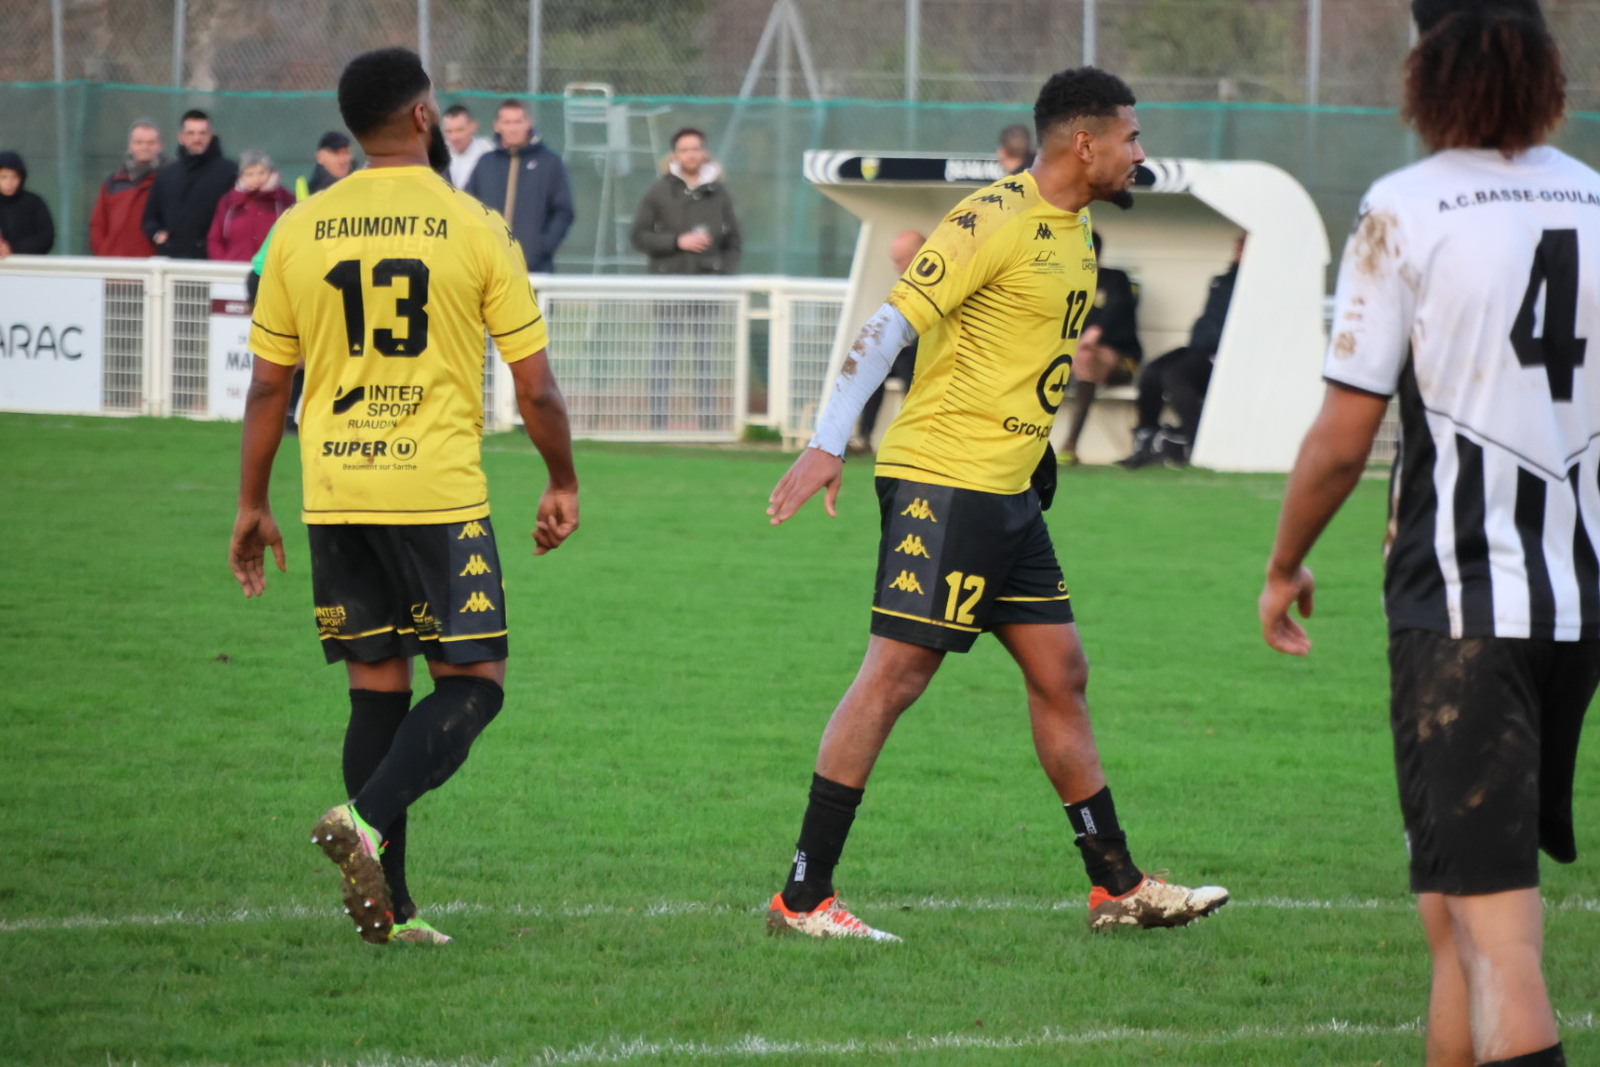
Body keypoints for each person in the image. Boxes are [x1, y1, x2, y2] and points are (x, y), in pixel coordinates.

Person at [763, 67, 1228, 941]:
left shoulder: (1078, 228)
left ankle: (1117, 886)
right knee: (894, 676)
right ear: (1084, 142)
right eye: (1131, 136)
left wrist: (1033, 449)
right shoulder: (992, 218)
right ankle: (802, 897)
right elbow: (888, 326)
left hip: (1008, 488)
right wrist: (828, 440)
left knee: (1061, 672)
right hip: (946, 479)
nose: (1141, 152)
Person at [1258, 3, 1595, 1064]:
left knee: (1499, 944)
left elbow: (1340, 437)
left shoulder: (1404, 207)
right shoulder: (1594, 197)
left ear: (1427, 64)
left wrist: (1282, 562)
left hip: (1462, 608)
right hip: (1577, 600)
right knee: (1452, 912)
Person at [227, 46, 580, 947]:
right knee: (476, 685)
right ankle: (364, 818)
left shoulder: (299, 227)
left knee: (376, 690)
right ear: (423, 116)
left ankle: (392, 912)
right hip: (434, 494)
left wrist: (252, 502)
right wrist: (562, 478)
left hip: (334, 490)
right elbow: (536, 387)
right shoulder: (474, 225)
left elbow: (267, 386)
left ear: (354, 128)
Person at [1116, 234, 1242, 469]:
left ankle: (1196, 443)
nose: (1238, 251)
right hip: (1198, 348)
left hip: (1222, 354)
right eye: (1238, 246)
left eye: (1243, 247)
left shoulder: (1252, 283)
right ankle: (1146, 437)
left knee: (1175, 376)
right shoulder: (1222, 280)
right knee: (1152, 372)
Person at [463, 99, 574, 272]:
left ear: (528, 123)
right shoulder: (485, 163)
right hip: (489, 269)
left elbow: (563, 211)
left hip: (535, 270)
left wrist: (542, 248)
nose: (513, 128)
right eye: (507, 122)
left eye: (518, 122)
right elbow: (466, 209)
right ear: (497, 126)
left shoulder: (549, 162)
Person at [1060, 230, 1141, 464]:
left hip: (1121, 361)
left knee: (1084, 355)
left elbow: (1117, 305)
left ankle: (1070, 445)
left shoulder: (1115, 279)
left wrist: (1096, 331)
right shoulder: (1065, 280)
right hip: (1075, 360)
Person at [849, 229, 924, 454]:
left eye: (900, 260)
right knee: (873, 368)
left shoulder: (939, 282)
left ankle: (914, 439)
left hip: (929, 353)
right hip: (907, 350)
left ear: (918, 254)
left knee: (912, 372)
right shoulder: (906, 286)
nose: (895, 266)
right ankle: (863, 437)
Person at [629, 127, 743, 275]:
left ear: (703, 153)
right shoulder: (658, 191)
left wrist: (723, 272)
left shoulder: (720, 193)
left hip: (709, 281)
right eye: (684, 150)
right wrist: (676, 242)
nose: (691, 155)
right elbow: (639, 237)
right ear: (674, 155)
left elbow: (734, 240)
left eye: (695, 149)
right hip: (668, 281)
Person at [142, 109, 237, 259]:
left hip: (213, 262)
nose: (197, 138)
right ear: (181, 137)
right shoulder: (167, 175)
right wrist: (157, 234)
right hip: (172, 261)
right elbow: (150, 218)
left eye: (202, 133)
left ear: (211, 136)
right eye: (190, 133)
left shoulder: (230, 172)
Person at [89, 119, 164, 257]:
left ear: (159, 146)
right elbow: (97, 225)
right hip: (115, 264)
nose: (144, 147)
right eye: (139, 142)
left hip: (153, 266)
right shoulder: (112, 183)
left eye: (150, 143)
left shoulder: (168, 182)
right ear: (130, 146)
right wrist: (104, 253)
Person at [207, 149, 295, 262]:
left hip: (270, 267)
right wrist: (223, 263)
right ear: (241, 176)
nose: (256, 179)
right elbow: (214, 239)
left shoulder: (283, 199)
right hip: (234, 267)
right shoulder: (228, 202)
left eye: (262, 173)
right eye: (250, 174)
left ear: (270, 173)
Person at [0, 151, 55, 257]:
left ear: (21, 178)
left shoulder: (34, 203)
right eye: (4, 177)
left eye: (14, 177)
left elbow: (46, 237)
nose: (9, 182)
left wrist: (13, 248)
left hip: (29, 264)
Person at [442, 104, 492, 190]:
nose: (454, 137)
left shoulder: (487, 152)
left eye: (459, 130)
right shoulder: (440, 155)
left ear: (473, 127)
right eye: (449, 131)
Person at [298, 130, 354, 198]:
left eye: (346, 153)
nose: (343, 160)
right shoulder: (309, 192)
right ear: (320, 157)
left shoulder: (358, 185)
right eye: (336, 153)